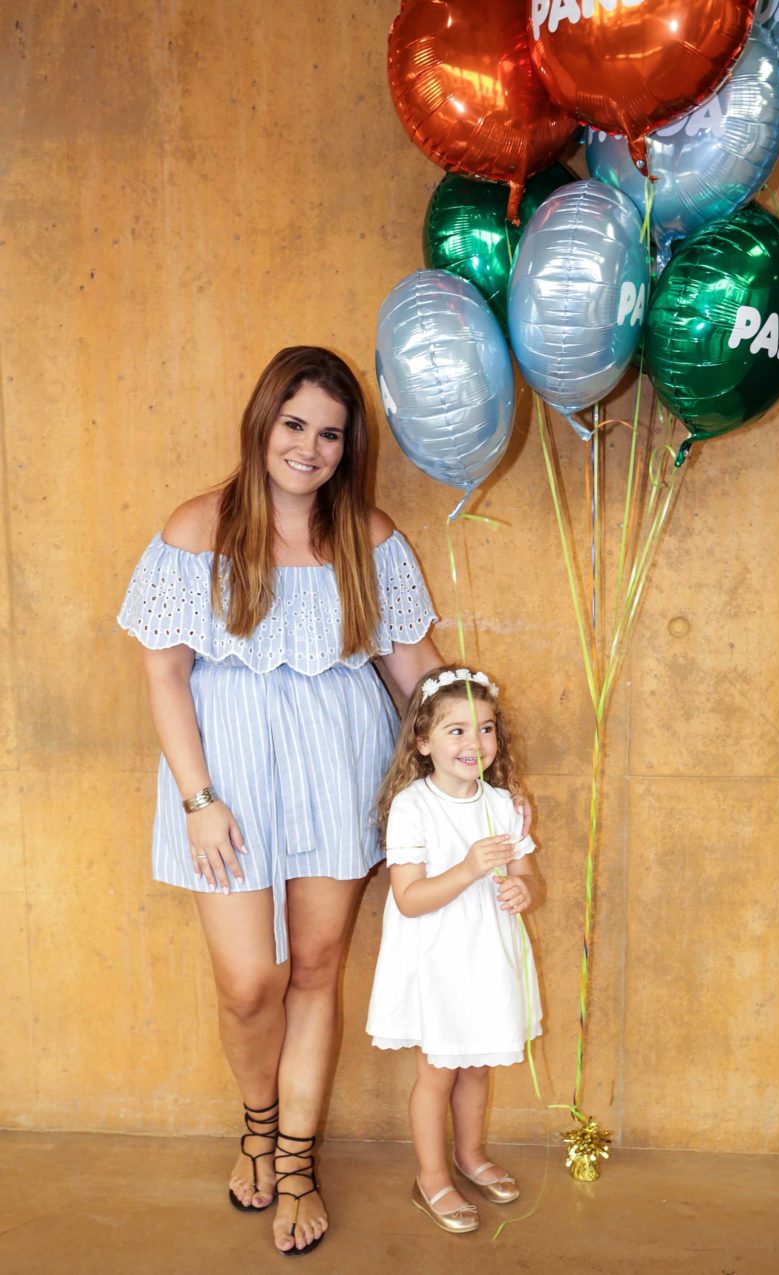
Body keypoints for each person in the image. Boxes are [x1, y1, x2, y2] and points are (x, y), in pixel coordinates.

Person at [118, 346, 443, 1255]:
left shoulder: (370, 536)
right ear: (263, 423)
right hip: (226, 778)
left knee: (315, 969)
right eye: (295, 423)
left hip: (337, 765)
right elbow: (164, 674)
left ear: (349, 446)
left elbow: (416, 670)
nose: (309, 447)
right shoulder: (197, 528)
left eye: (330, 433)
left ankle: (294, 1162)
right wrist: (199, 798)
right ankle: (256, 1125)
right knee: (247, 982)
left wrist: (480, 761)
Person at [366, 664, 542, 1235]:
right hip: (437, 963)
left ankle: (470, 1156)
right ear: (423, 741)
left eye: (485, 728)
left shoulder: (503, 804)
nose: (475, 742)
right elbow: (410, 898)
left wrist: (524, 889)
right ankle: (433, 1176)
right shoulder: (413, 807)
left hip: (487, 959)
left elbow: (528, 875)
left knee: (477, 1068)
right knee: (439, 1073)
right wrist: (468, 868)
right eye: (457, 730)